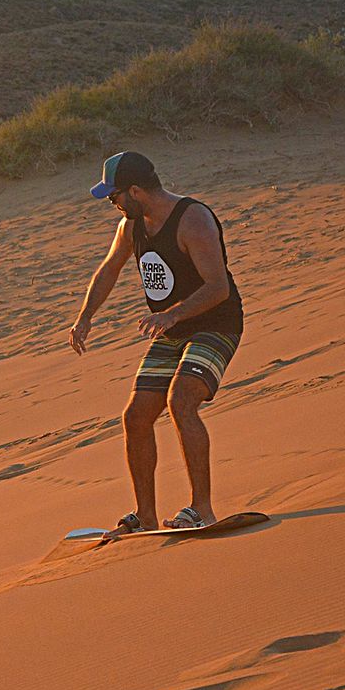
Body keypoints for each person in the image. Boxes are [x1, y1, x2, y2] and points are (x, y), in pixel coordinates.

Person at [69, 151, 244, 535]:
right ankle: (145, 516)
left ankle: (202, 509)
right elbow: (109, 269)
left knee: (180, 401)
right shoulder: (131, 228)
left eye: (115, 196)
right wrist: (85, 316)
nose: (112, 204)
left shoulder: (192, 220)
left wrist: (172, 314)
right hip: (173, 329)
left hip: (216, 323)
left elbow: (218, 288)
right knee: (135, 416)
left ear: (135, 191)